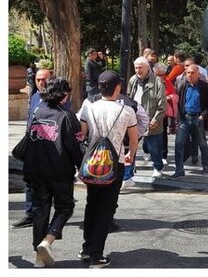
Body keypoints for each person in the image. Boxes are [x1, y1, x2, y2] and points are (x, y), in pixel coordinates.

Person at [78, 71, 139, 268]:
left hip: (93, 164)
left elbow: (82, 134)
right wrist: (131, 154)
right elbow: (133, 138)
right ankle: (97, 255)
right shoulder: (126, 111)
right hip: (115, 163)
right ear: (118, 88)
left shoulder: (90, 108)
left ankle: (86, 248)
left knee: (91, 205)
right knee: (106, 209)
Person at [23, 77, 83, 267]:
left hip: (35, 169)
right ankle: (47, 241)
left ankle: (39, 256)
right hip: (59, 171)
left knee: (40, 210)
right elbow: (75, 146)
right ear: (64, 94)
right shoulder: (67, 116)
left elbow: (28, 137)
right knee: (65, 207)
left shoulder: (37, 111)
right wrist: (82, 167)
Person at [12, 68, 52, 229]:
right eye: (38, 80)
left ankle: (52, 215)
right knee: (29, 181)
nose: (41, 82)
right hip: (32, 146)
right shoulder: (35, 96)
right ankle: (30, 214)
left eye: (44, 79)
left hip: (49, 149)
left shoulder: (57, 98)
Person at [172, 64, 208, 178]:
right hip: (185, 119)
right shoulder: (183, 86)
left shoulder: (204, 87)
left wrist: (203, 116)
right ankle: (179, 170)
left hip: (198, 119)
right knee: (179, 143)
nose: (189, 75)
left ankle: (206, 166)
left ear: (198, 74)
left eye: (192, 73)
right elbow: (180, 102)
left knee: (202, 144)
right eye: (188, 73)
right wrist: (179, 118)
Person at [127, 56, 166, 177]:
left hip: (151, 118)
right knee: (130, 146)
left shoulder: (157, 81)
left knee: (154, 148)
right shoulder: (133, 80)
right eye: (136, 68)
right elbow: (128, 97)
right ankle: (129, 172)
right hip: (135, 119)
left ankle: (158, 167)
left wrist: (156, 119)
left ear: (147, 68)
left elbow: (162, 104)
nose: (138, 70)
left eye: (140, 68)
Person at [153, 63, 177, 165]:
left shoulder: (167, 82)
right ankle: (150, 151)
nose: (160, 77)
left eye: (162, 75)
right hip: (150, 111)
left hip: (162, 112)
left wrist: (169, 97)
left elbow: (173, 94)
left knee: (162, 134)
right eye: (157, 75)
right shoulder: (149, 82)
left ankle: (163, 154)